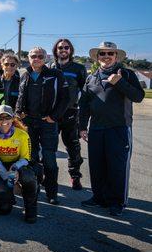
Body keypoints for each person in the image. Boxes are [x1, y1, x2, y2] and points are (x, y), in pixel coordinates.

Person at [79, 41, 144, 216]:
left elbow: (138, 97)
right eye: (102, 54)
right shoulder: (91, 78)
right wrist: (82, 127)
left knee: (117, 167)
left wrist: (120, 82)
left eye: (110, 54)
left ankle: (117, 202)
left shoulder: (127, 74)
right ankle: (99, 197)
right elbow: (84, 105)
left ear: (116, 56)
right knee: (97, 166)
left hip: (119, 128)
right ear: (97, 57)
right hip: (97, 129)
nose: (106, 57)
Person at [16, 47, 69, 205]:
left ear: (45, 58)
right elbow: (20, 96)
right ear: (29, 57)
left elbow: (66, 99)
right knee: (30, 159)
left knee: (49, 160)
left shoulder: (56, 74)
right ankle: (33, 188)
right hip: (29, 123)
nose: (36, 58)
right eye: (33, 56)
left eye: (40, 56)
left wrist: (54, 116)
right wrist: (19, 111)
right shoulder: (24, 74)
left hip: (47, 123)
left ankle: (52, 193)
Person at [48, 38, 88, 190]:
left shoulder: (79, 68)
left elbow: (85, 93)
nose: (63, 50)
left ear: (70, 50)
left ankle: (75, 176)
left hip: (71, 114)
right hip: (52, 114)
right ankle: (48, 177)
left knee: (73, 147)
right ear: (55, 50)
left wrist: (83, 114)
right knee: (49, 147)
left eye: (66, 47)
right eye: (60, 48)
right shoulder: (50, 67)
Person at [0, 105, 38, 223]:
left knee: (29, 177)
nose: (4, 121)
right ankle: (6, 195)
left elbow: (26, 158)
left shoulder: (23, 135)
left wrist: (15, 169)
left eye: (7, 117)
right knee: (3, 210)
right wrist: (7, 177)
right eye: (0, 118)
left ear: (13, 119)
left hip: (18, 165)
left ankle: (31, 208)